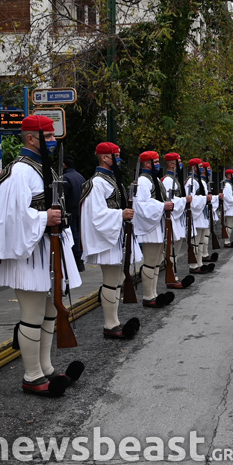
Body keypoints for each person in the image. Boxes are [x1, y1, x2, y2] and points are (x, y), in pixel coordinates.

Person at [0, 115, 83, 397]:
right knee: (32, 315)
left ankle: (46, 367)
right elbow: (10, 216)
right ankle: (32, 375)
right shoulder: (20, 172)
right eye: (48, 137)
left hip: (47, 251)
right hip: (28, 255)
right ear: (32, 139)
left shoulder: (42, 169)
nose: (53, 141)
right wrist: (44, 218)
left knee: (49, 312)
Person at [80, 142, 142, 340]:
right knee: (110, 281)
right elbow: (96, 214)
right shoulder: (97, 183)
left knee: (116, 280)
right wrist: (120, 215)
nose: (119, 159)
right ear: (105, 158)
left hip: (114, 235)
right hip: (105, 238)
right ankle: (110, 324)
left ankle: (113, 321)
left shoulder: (111, 180)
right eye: (117, 155)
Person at [133, 151, 176, 308]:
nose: (158, 164)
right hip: (149, 227)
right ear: (147, 163)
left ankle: (154, 293)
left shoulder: (155, 179)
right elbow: (141, 205)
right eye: (156, 162)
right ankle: (148, 295)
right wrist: (162, 206)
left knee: (157, 262)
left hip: (157, 224)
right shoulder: (143, 181)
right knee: (150, 262)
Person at [161, 153, 195, 289]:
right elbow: (170, 201)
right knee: (171, 251)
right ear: (171, 164)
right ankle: (171, 277)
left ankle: (173, 275)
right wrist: (184, 200)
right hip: (173, 219)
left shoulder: (174, 179)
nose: (181, 164)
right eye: (178, 162)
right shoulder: (167, 181)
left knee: (176, 250)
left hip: (177, 219)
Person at [185, 159, 212, 274]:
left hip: (202, 214)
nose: (202, 168)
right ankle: (193, 265)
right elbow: (191, 199)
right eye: (200, 166)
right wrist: (205, 198)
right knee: (195, 241)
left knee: (200, 241)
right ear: (194, 168)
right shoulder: (191, 181)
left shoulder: (200, 181)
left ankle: (199, 263)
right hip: (196, 215)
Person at [61, 154, 86, 271]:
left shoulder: (65, 178)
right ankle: (80, 259)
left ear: (64, 165)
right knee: (78, 235)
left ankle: (77, 261)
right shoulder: (80, 177)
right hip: (79, 210)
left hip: (69, 211)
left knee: (73, 236)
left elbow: (63, 197)